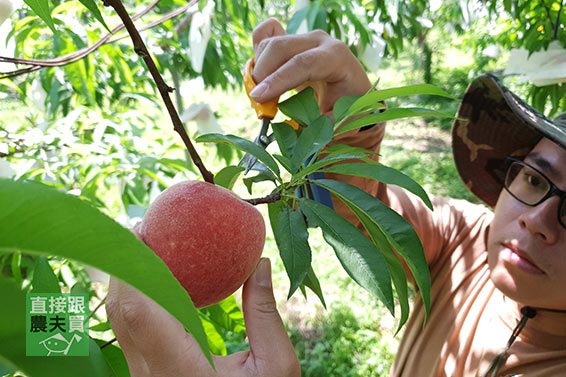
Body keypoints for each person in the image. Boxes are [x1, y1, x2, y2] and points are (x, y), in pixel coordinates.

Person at [106, 18, 566, 377]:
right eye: (534, 179)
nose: (538, 220)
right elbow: (367, 213)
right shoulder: (468, 243)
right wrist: (351, 138)